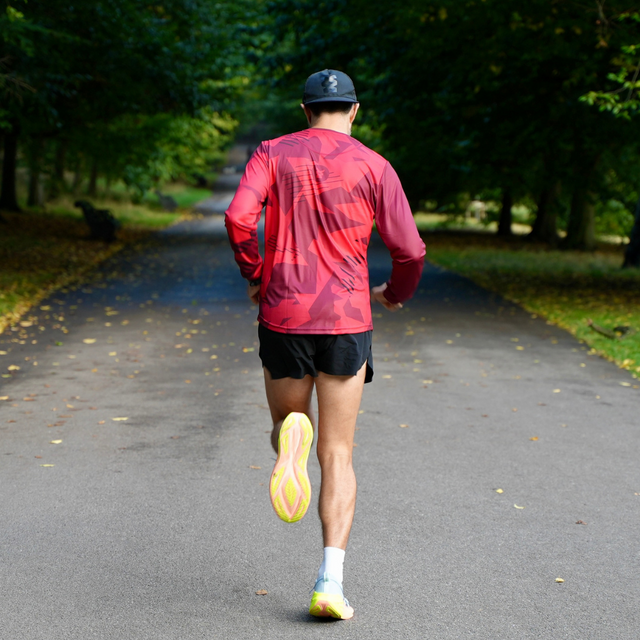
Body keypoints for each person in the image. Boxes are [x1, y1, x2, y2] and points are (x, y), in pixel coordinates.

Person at [225, 69, 425, 620]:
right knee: (337, 454)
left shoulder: (272, 153)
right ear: (354, 111)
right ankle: (329, 583)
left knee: (288, 427)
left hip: (284, 314)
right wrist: (395, 294)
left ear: (304, 109)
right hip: (345, 318)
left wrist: (254, 271)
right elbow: (409, 250)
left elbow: (240, 217)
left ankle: (289, 440)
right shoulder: (375, 166)